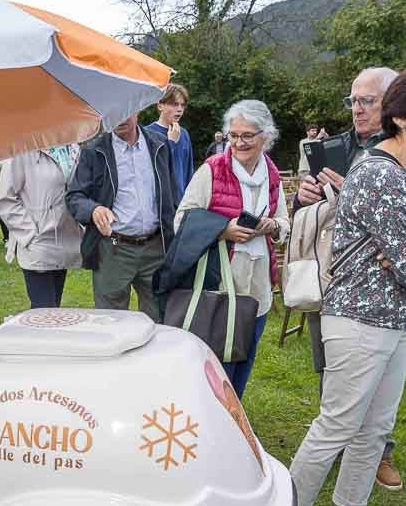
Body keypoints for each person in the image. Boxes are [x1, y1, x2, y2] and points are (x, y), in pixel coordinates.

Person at [286, 61, 406, 506]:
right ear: (403, 115)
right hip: (359, 320)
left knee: (376, 427)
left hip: (398, 320)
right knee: (337, 424)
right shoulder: (378, 172)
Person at [174, 100, 289, 398]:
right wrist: (223, 229)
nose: (238, 143)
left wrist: (272, 227)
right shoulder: (211, 170)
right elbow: (181, 219)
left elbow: (284, 221)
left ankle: (233, 415)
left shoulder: (272, 175)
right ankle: (208, 415)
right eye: (233, 135)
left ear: (266, 136)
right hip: (221, 283)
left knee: (245, 356)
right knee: (215, 360)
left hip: (259, 282)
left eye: (247, 136)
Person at [66, 114, 178, 319]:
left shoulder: (159, 144)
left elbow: (172, 192)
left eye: (124, 111)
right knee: (111, 321)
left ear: (137, 109)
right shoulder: (94, 150)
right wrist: (93, 209)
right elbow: (75, 196)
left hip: (156, 248)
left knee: (160, 318)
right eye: (112, 112)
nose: (118, 118)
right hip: (114, 250)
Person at [0, 144, 83, 308]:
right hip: (37, 245)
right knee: (44, 312)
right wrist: (30, 234)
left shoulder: (72, 148)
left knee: (53, 309)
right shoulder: (22, 149)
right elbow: (5, 199)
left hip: (64, 242)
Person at [145, 83, 194, 198]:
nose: (179, 109)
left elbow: (188, 171)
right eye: (174, 104)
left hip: (181, 202)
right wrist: (171, 143)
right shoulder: (147, 134)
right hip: (159, 202)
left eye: (182, 105)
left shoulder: (184, 134)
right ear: (160, 105)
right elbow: (154, 171)